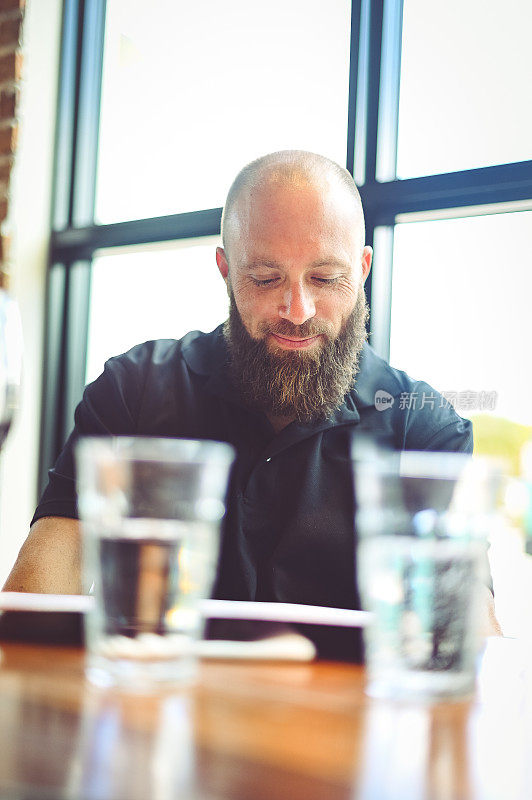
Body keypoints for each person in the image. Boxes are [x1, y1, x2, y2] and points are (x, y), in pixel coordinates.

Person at [4, 150, 501, 650]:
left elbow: (467, 627)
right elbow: (45, 580)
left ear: (363, 268)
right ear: (225, 268)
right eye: (265, 278)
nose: (299, 311)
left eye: (326, 278)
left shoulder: (423, 427)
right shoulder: (134, 390)